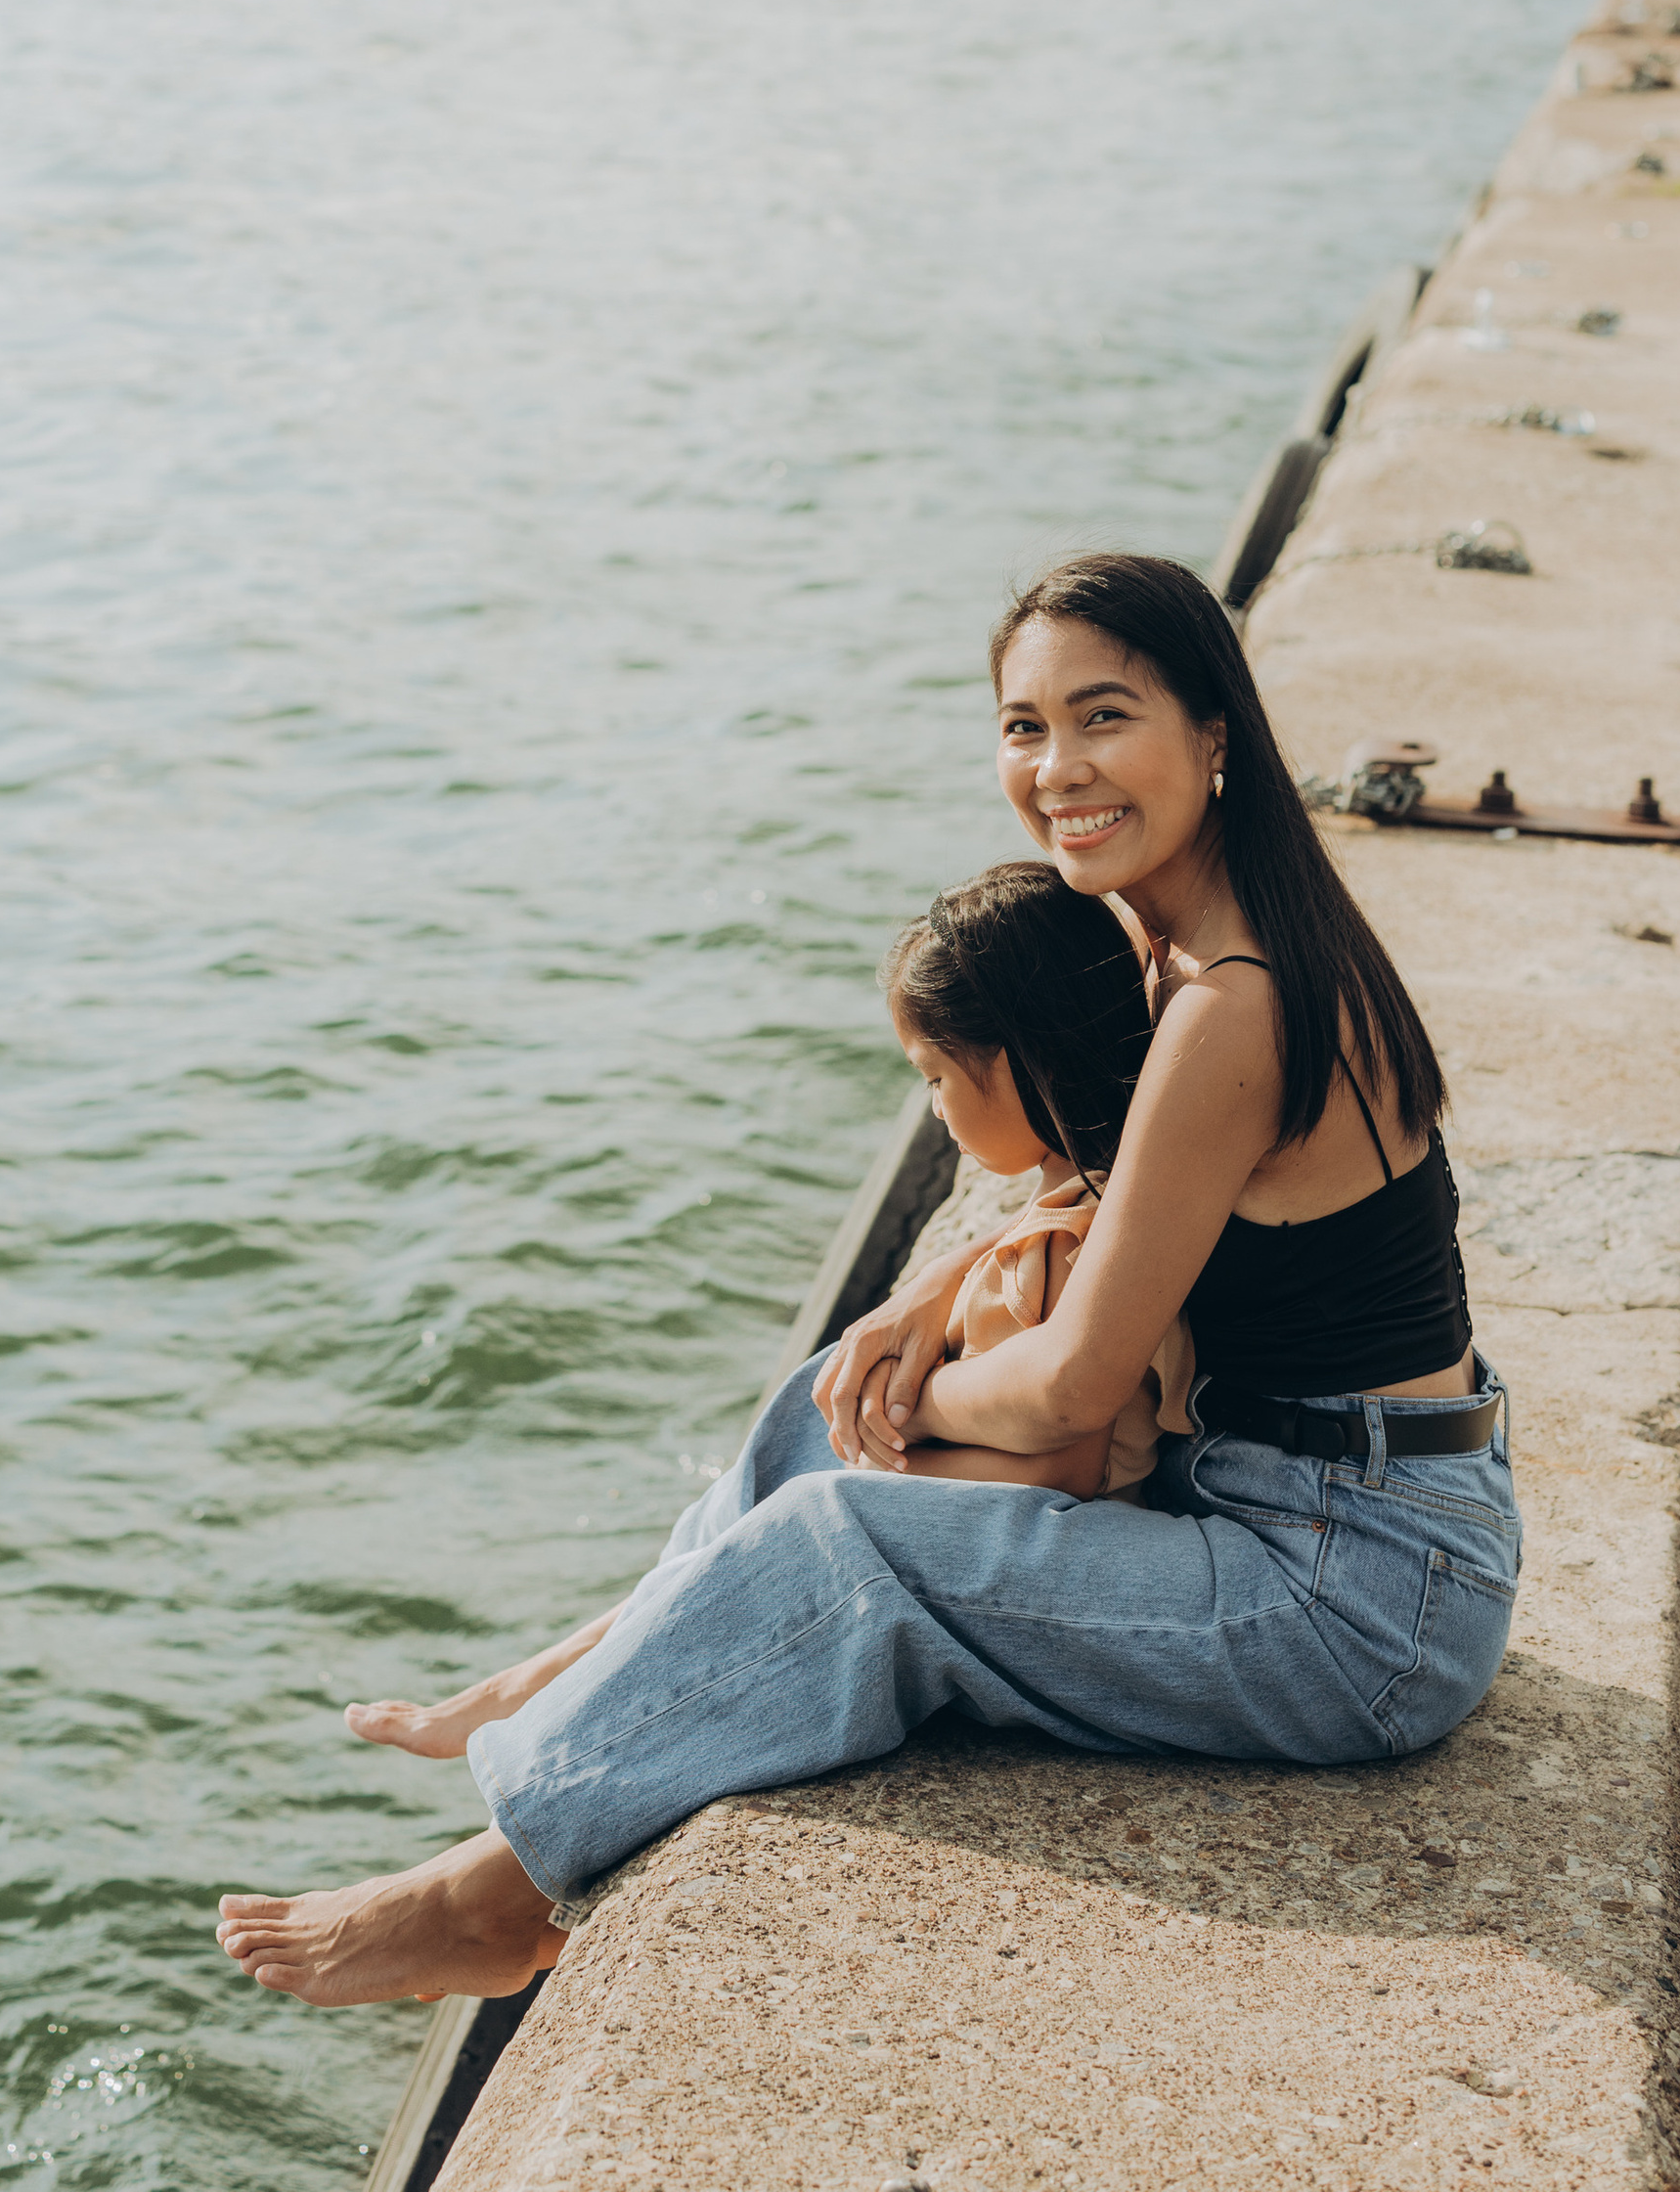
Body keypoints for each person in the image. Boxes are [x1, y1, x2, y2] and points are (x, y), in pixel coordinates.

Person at [216, 553, 1518, 2010]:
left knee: (858, 1539)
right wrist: (924, 1298)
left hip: (1353, 1599)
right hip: (1347, 1517)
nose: (1057, 766)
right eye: (1023, 727)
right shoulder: (1206, 943)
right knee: (814, 1408)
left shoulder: (1234, 1001)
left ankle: (493, 1893)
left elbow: (1084, 1378)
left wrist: (921, 1398)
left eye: (1103, 717)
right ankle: (581, 1678)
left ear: (1215, 732)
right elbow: (1137, 1187)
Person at [880, 863, 1194, 1502]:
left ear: (1015, 1058)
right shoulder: (1109, 1203)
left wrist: (878, 1471)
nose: (936, 1107)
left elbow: (1064, 1475)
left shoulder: (1061, 1247)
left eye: (936, 1078)